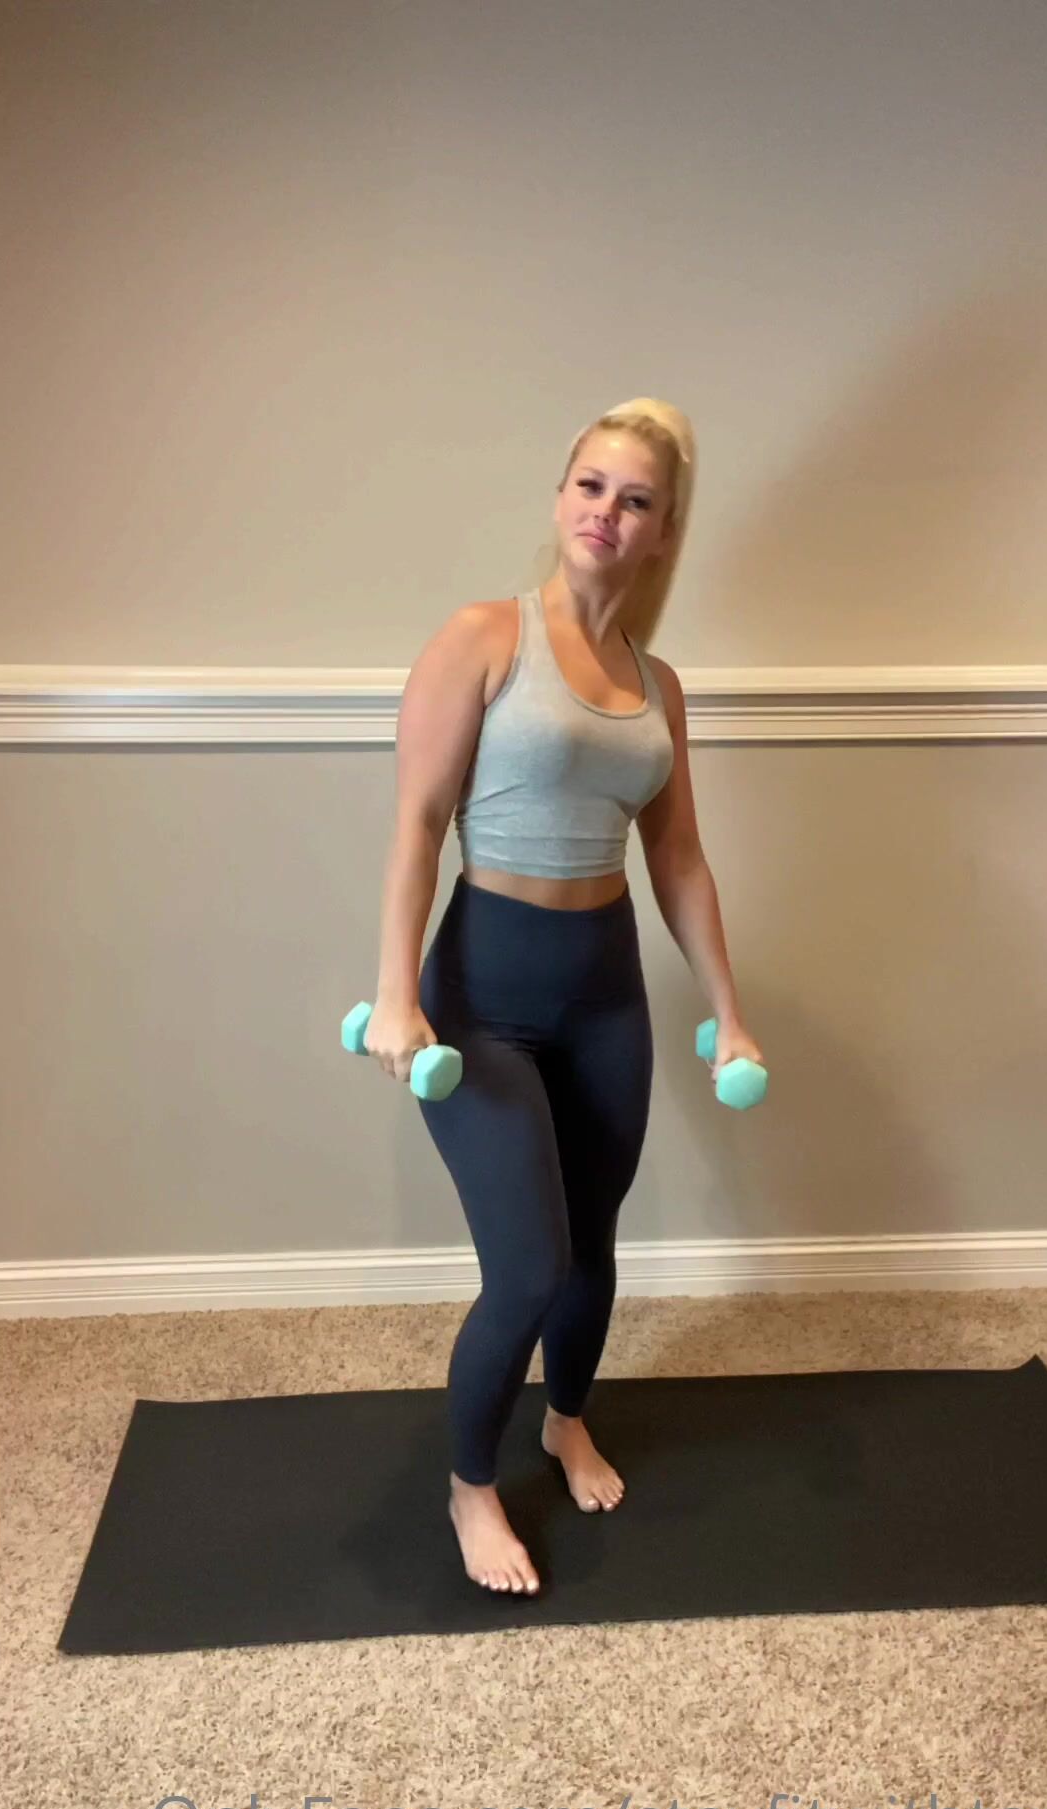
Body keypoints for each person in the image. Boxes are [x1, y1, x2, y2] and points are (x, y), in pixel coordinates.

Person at [366, 397, 763, 1597]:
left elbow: (677, 857)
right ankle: (469, 1485)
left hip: (604, 994)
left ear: (663, 530)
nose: (606, 512)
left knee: (592, 1245)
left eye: (635, 500)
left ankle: (567, 1419)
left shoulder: (659, 684)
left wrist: (729, 1010)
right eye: (591, 485)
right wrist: (395, 995)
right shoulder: (484, 638)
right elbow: (417, 823)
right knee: (529, 1265)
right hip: (480, 994)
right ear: (560, 496)